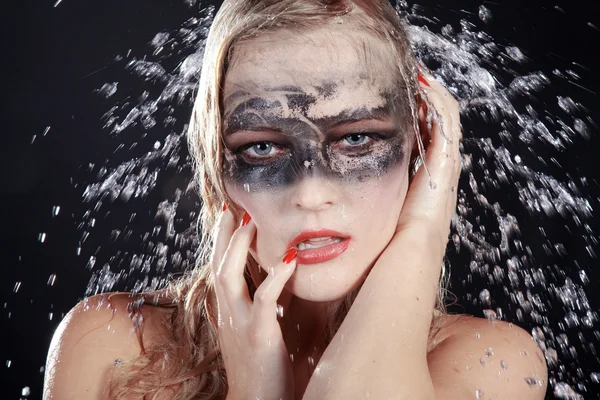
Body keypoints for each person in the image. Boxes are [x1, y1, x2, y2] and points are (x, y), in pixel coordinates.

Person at [43, 0, 548, 399]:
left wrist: (422, 232)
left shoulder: (491, 363)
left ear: (420, 145)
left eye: (356, 139)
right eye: (262, 147)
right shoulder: (110, 346)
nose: (310, 193)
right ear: (215, 163)